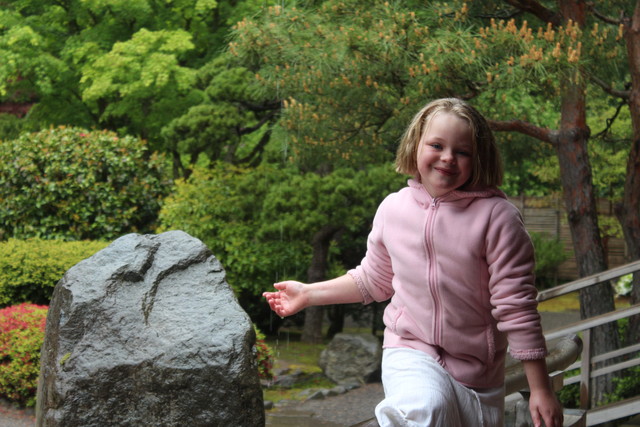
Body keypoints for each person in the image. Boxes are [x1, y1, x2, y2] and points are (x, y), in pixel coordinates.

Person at [263, 98, 563, 427]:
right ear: (416, 144)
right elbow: (374, 280)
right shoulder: (394, 209)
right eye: (437, 145)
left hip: (477, 375)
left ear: (479, 159)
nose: (448, 157)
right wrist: (309, 293)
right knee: (425, 407)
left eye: (462, 152)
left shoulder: (499, 219)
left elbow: (516, 307)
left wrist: (540, 388)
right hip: (409, 350)